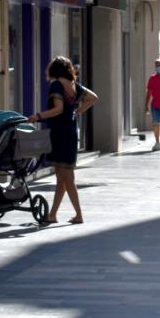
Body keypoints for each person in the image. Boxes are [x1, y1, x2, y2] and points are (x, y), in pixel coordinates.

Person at [27, 56, 98, 224]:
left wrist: (38, 116)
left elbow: (58, 109)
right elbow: (93, 97)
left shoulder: (56, 85)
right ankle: (52, 215)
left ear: (55, 69)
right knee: (61, 177)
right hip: (70, 132)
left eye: (49, 66)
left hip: (60, 133)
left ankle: (79, 214)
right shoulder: (73, 85)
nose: (47, 69)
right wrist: (78, 111)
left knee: (67, 177)